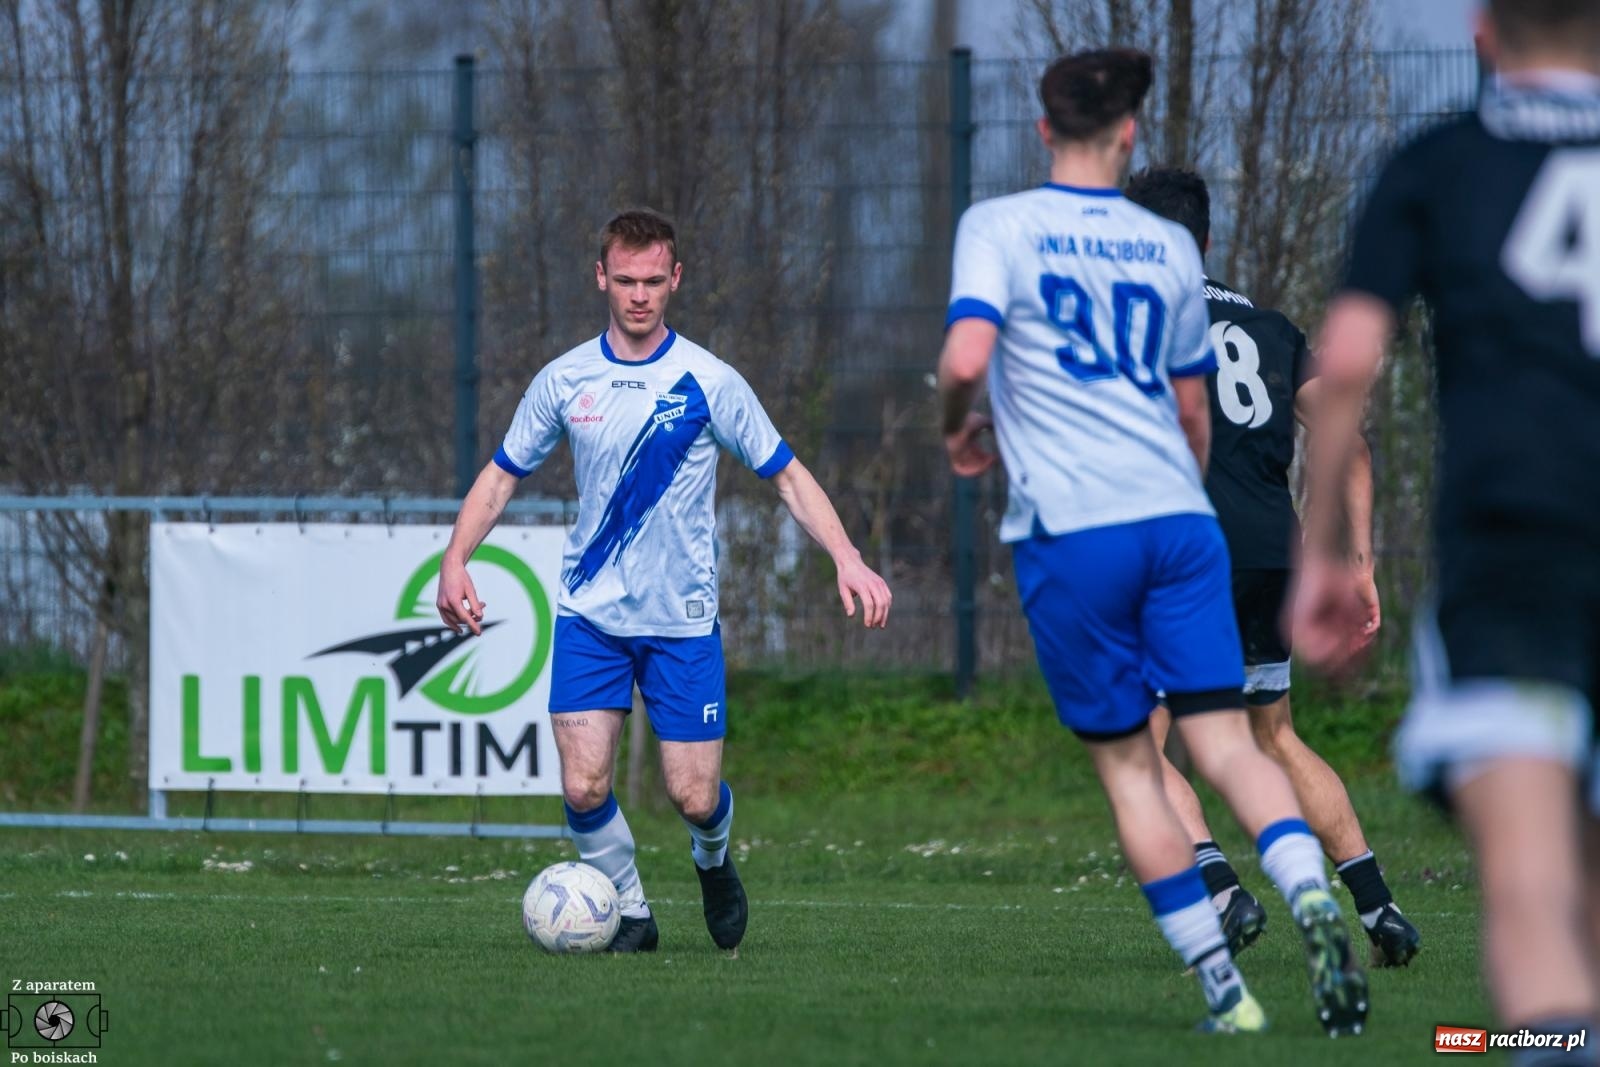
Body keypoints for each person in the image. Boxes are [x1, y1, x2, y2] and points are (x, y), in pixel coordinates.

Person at [937, 49, 1367, 1036]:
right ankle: (1310, 893)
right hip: (1182, 526)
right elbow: (1191, 417)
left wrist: (960, 425)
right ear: (1128, 133)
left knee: (1135, 764)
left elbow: (965, 356)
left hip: (1073, 529)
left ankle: (1227, 988)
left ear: (1044, 132)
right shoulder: (1169, 252)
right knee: (1235, 738)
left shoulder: (998, 226)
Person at [437, 209, 892, 953]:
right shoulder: (564, 379)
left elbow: (788, 476)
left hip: (681, 621)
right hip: (590, 614)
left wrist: (847, 555)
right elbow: (499, 476)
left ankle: (712, 860)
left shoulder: (711, 381)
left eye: (654, 281)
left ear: (675, 279)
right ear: (601, 278)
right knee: (583, 786)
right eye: (626, 280)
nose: (640, 295)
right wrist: (455, 558)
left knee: (695, 795)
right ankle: (632, 913)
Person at [1297, 2, 1600, 1062]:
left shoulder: (1438, 162)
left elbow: (1344, 361)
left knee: (1531, 887)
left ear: (1482, 32)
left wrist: (1325, 556)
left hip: (1516, 550)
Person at [1124, 167, 1422, 969]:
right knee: (1276, 734)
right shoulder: (1271, 327)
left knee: (1141, 743)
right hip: (1270, 553)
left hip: (1184, 553)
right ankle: (1380, 906)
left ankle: (1221, 887)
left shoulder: (1133, 327)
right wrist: (1359, 564)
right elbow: (1349, 445)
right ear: (1210, 240)